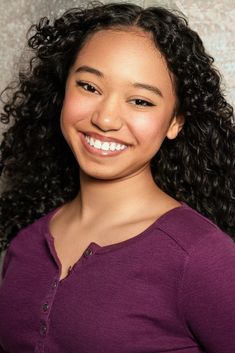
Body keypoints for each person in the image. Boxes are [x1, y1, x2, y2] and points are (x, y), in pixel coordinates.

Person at [0, 1, 234, 352]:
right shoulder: (25, 245)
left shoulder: (203, 257)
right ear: (63, 89)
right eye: (89, 87)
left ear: (175, 122)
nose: (106, 119)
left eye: (140, 101)